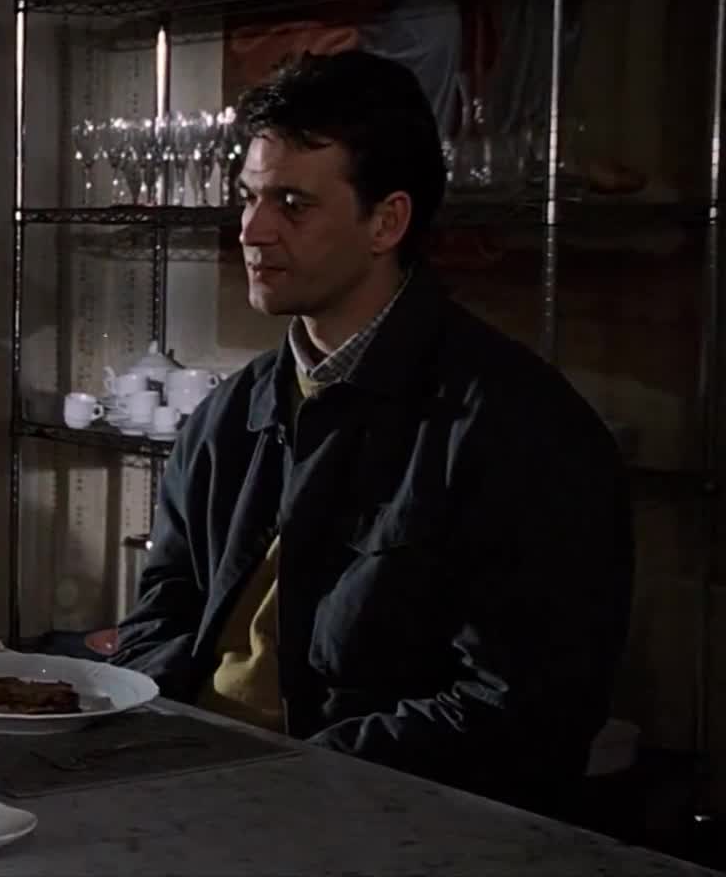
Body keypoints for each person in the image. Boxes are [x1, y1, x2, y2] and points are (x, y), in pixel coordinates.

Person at [110, 50, 632, 810]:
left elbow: (523, 711)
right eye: (248, 197)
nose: (252, 229)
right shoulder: (232, 414)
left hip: (368, 816)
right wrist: (168, 747)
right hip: (193, 786)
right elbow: (160, 613)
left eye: (292, 204)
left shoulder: (520, 429)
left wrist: (284, 781)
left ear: (386, 221)